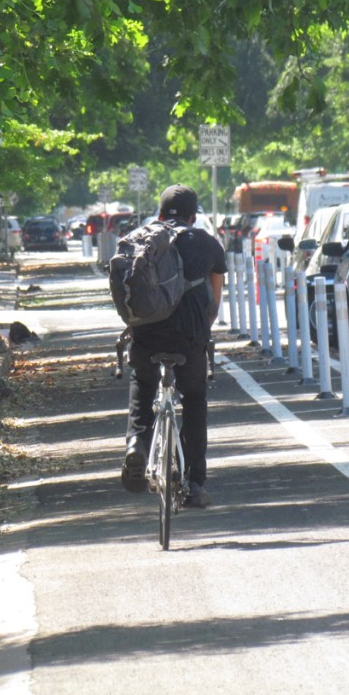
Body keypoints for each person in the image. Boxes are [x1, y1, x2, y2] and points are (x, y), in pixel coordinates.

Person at [120, 185, 227, 507]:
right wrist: (201, 331)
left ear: (159, 213)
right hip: (188, 337)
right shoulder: (208, 244)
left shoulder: (140, 238)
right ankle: (194, 484)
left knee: (143, 380)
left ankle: (137, 443)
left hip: (146, 332)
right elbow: (215, 301)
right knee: (194, 400)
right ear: (194, 216)